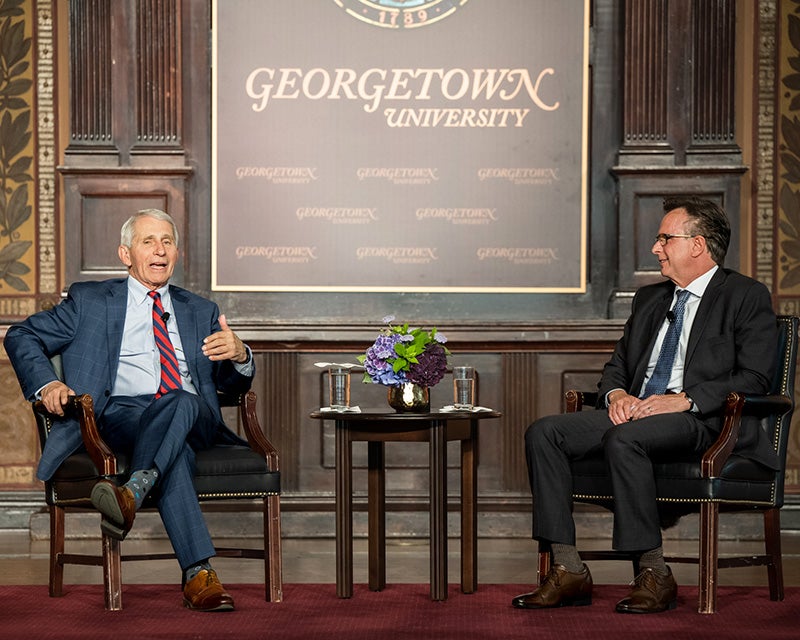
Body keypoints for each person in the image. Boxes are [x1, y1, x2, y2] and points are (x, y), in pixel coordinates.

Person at [513, 196, 778, 614]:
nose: (656, 249)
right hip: (636, 413)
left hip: (703, 421)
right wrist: (616, 395)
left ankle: (653, 572)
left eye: (664, 239)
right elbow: (617, 365)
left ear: (697, 244)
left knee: (625, 438)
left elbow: (756, 377)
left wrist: (684, 400)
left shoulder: (744, 295)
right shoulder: (650, 299)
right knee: (546, 432)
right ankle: (566, 568)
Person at [5, 209, 254, 612]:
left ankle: (132, 492)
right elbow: (22, 334)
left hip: (195, 417)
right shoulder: (89, 302)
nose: (160, 250)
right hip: (122, 416)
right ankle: (198, 575)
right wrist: (46, 383)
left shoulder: (200, 310)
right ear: (126, 253)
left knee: (181, 400)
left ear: (176, 253)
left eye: (167, 242)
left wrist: (241, 356)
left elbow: (229, 382)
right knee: (173, 453)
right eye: (148, 242)